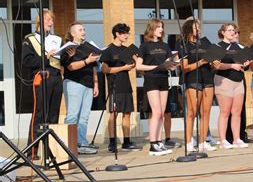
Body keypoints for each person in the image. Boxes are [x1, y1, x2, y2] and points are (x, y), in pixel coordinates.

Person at [21, 10, 62, 159]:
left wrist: (67, 54)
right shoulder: (30, 39)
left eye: (52, 19)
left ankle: (50, 151)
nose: (51, 22)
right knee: (39, 114)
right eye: (47, 19)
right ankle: (32, 150)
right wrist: (46, 57)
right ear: (39, 21)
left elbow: (62, 61)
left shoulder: (57, 39)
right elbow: (27, 62)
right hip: (42, 77)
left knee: (53, 115)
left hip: (57, 78)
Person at [135, 19, 177, 156]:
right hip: (151, 80)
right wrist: (155, 67)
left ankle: (159, 142)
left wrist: (173, 64)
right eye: (158, 27)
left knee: (162, 113)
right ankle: (153, 145)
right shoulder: (144, 46)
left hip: (164, 79)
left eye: (162, 27)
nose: (161, 29)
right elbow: (138, 66)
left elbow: (169, 62)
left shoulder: (165, 46)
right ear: (152, 28)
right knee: (156, 112)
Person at [100, 23, 141, 152]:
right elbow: (105, 69)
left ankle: (127, 141)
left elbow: (131, 65)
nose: (126, 36)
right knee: (113, 114)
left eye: (127, 33)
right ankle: (112, 142)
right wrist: (122, 68)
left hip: (126, 85)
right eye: (124, 33)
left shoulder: (126, 50)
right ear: (117, 34)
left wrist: (134, 62)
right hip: (114, 86)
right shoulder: (108, 50)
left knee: (127, 113)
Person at [61, 22, 100, 155]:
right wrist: (86, 61)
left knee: (84, 117)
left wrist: (96, 84)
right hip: (74, 83)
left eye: (84, 29)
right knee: (73, 115)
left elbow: (94, 67)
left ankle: (82, 143)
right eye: (80, 30)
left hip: (88, 84)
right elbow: (70, 67)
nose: (83, 31)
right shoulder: (68, 49)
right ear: (73, 34)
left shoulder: (88, 47)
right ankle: (69, 144)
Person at [179, 18, 216, 152]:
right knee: (192, 112)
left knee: (206, 112)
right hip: (193, 80)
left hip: (208, 79)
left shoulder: (205, 42)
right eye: (195, 28)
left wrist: (214, 63)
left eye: (199, 27)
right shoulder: (184, 44)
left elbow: (212, 60)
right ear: (189, 29)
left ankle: (203, 142)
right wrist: (200, 63)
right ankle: (189, 142)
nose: (198, 30)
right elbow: (184, 67)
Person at [213, 23, 250, 149]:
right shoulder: (218, 46)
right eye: (229, 30)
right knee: (225, 111)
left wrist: (246, 63)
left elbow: (246, 64)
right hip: (224, 80)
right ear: (222, 32)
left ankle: (236, 139)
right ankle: (223, 140)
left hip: (239, 81)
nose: (232, 32)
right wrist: (231, 66)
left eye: (233, 30)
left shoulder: (239, 46)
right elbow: (216, 66)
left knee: (237, 112)